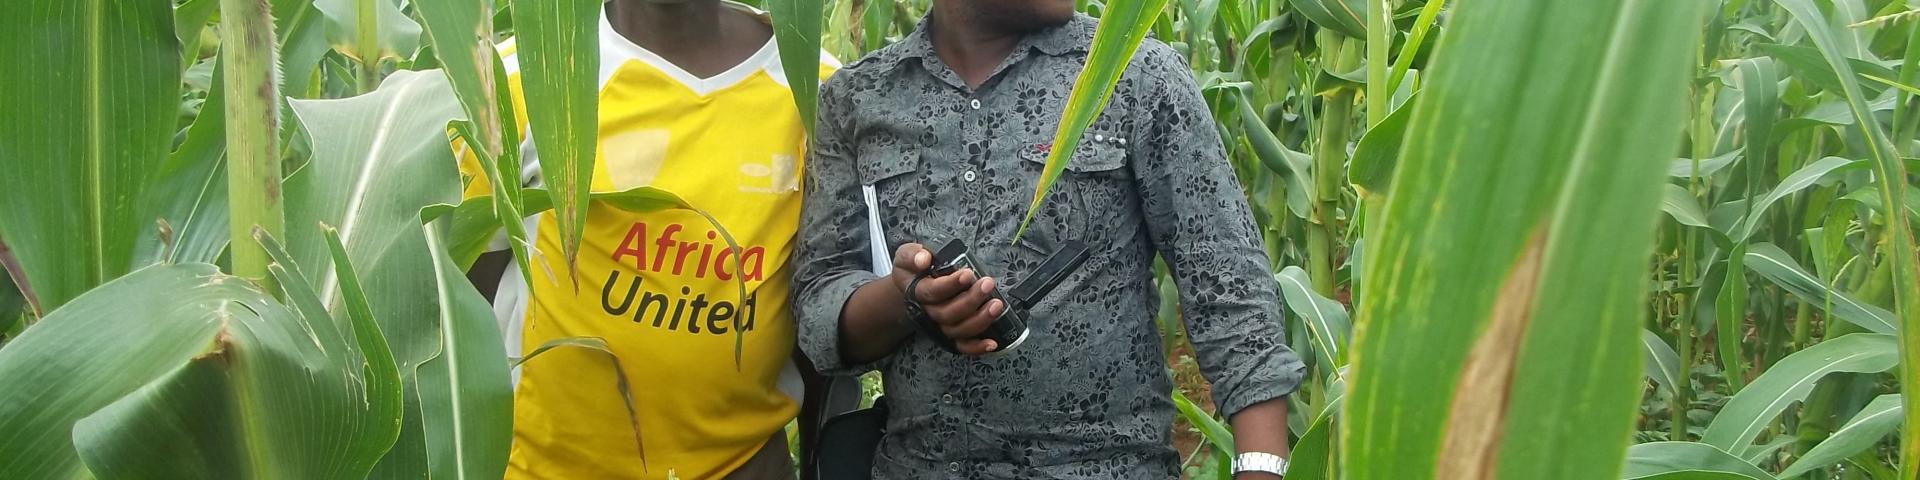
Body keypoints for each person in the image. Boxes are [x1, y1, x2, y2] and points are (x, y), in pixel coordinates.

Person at [790, 0, 1306, 478]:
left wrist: (1260, 464)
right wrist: (905, 300)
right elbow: (819, 307)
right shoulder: (856, 98)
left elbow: (1233, 297)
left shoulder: (1136, 76)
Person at [459, 0, 836, 478]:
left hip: (744, 466)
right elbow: (466, 294)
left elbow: (822, 304)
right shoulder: (521, 79)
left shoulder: (815, 87)